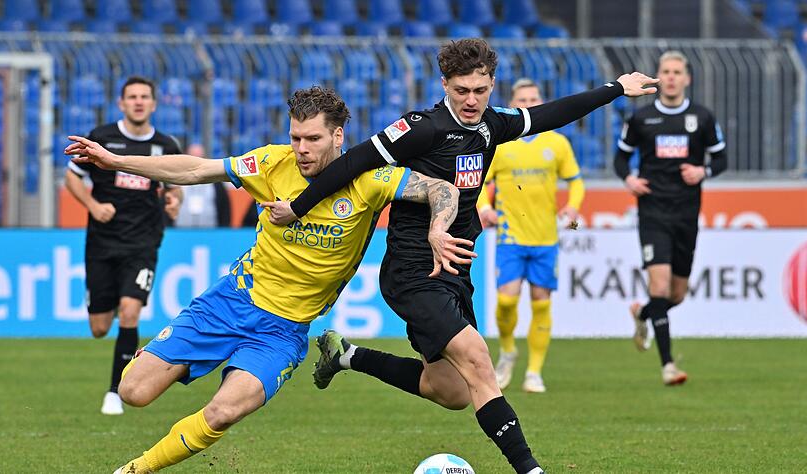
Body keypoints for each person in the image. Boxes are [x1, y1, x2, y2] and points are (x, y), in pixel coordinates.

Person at [261, 38, 657, 473]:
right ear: (444, 84)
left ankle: (347, 356)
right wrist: (297, 207)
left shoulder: (491, 125)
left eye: (480, 91)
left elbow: (549, 115)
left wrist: (615, 87)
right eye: (461, 90)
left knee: (450, 391)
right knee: (478, 359)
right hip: (413, 271)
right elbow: (353, 161)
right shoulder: (421, 128)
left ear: (491, 85)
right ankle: (531, 469)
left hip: (455, 270)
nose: (471, 101)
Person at [65, 86, 467, 474]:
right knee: (133, 391)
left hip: (282, 332)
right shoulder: (273, 163)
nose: (301, 148)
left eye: (312, 138)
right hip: (229, 303)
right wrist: (115, 162)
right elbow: (195, 168)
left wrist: (437, 230)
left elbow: (442, 189)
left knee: (222, 412)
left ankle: (135, 470)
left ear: (338, 135)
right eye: (295, 137)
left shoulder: (371, 179)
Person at [64, 76, 184, 416]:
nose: (138, 102)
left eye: (145, 96)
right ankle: (109, 306)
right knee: (99, 327)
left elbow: (176, 185)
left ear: (153, 104)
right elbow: (72, 177)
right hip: (102, 244)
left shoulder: (165, 145)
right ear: (121, 103)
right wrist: (92, 206)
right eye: (132, 97)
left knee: (131, 311)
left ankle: (116, 391)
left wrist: (174, 200)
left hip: (143, 242)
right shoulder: (102, 138)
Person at [613, 50, 727, 386]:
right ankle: (667, 366)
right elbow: (621, 159)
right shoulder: (641, 119)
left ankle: (643, 313)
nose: (672, 76)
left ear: (687, 78)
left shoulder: (702, 118)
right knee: (659, 285)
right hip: (653, 212)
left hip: (686, 214)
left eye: (678, 71)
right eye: (666, 71)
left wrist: (702, 170)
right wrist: (629, 179)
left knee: (676, 295)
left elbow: (721, 160)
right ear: (659, 77)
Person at [476, 79, 585, 394]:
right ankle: (508, 351)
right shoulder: (501, 144)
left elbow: (576, 182)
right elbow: (481, 181)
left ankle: (534, 372)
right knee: (507, 301)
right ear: (514, 104)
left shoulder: (557, 143)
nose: (529, 101)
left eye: (534, 97)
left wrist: (573, 208)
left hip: (546, 237)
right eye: (522, 98)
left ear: (541, 102)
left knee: (541, 303)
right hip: (511, 236)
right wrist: (484, 208)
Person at [174, 143, 231, 228]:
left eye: (199, 158)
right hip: (179, 231)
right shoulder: (176, 181)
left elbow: (224, 208)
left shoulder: (216, 181)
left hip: (211, 233)